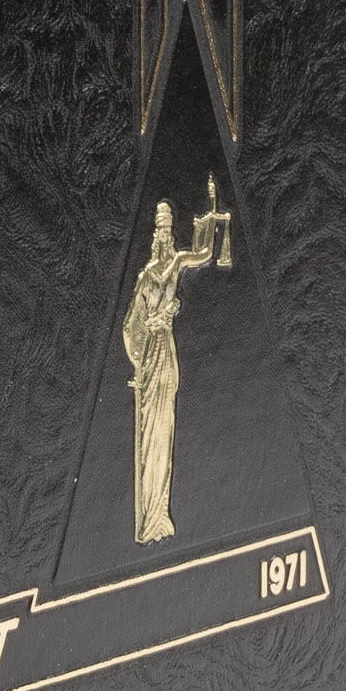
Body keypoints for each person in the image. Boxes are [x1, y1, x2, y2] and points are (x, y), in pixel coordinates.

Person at [123, 182, 227, 543]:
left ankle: (160, 515)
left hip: (166, 350)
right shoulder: (146, 277)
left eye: (169, 230)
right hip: (151, 353)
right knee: (151, 430)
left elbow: (204, 254)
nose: (165, 236)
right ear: (156, 236)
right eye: (161, 231)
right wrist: (138, 362)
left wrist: (212, 217)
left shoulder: (179, 263)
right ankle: (148, 518)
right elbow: (130, 326)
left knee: (165, 425)